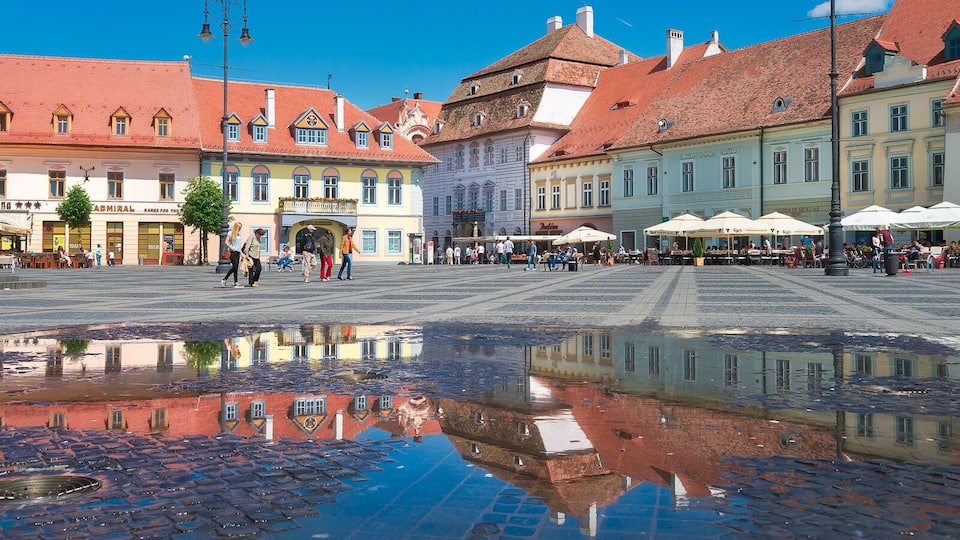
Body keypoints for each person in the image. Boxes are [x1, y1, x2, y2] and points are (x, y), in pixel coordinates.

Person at [221, 222, 243, 288]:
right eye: (239, 227)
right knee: (235, 267)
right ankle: (225, 279)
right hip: (233, 252)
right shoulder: (230, 233)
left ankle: (235, 282)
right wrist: (231, 248)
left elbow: (238, 246)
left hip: (238, 252)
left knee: (235, 268)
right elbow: (226, 242)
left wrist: (242, 254)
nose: (240, 229)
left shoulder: (238, 234)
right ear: (236, 227)